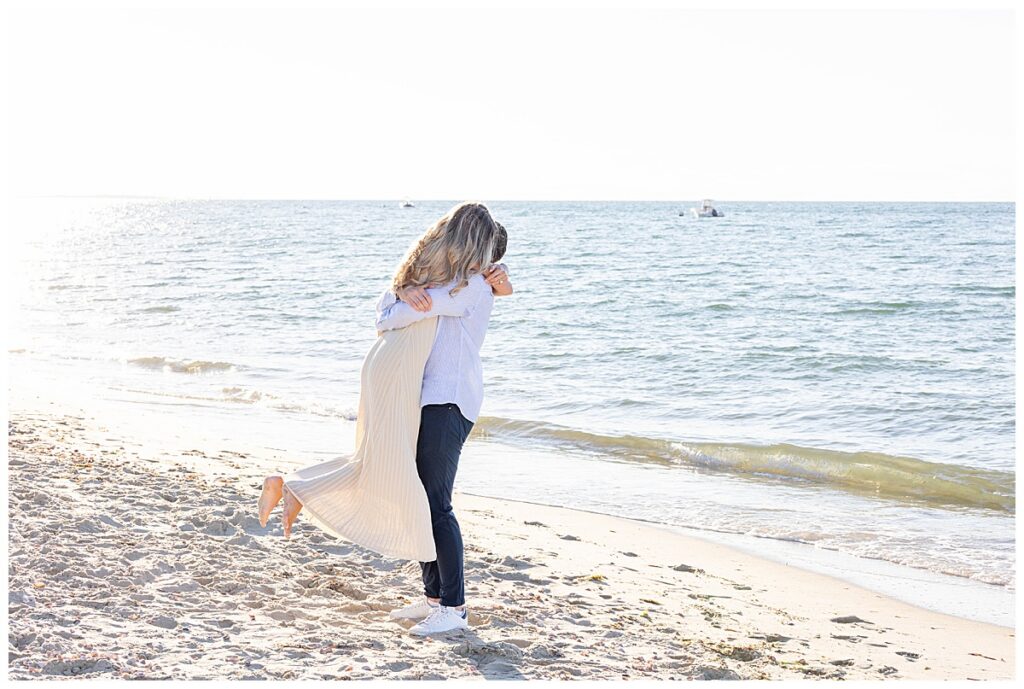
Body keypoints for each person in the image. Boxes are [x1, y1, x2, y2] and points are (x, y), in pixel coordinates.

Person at [255, 202, 511, 637]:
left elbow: (406, 314)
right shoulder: (446, 284)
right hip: (425, 399)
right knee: (418, 497)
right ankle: (434, 598)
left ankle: (454, 607)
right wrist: (400, 291)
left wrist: (406, 296)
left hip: (448, 402)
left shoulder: (472, 287)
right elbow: (383, 314)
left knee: (437, 504)